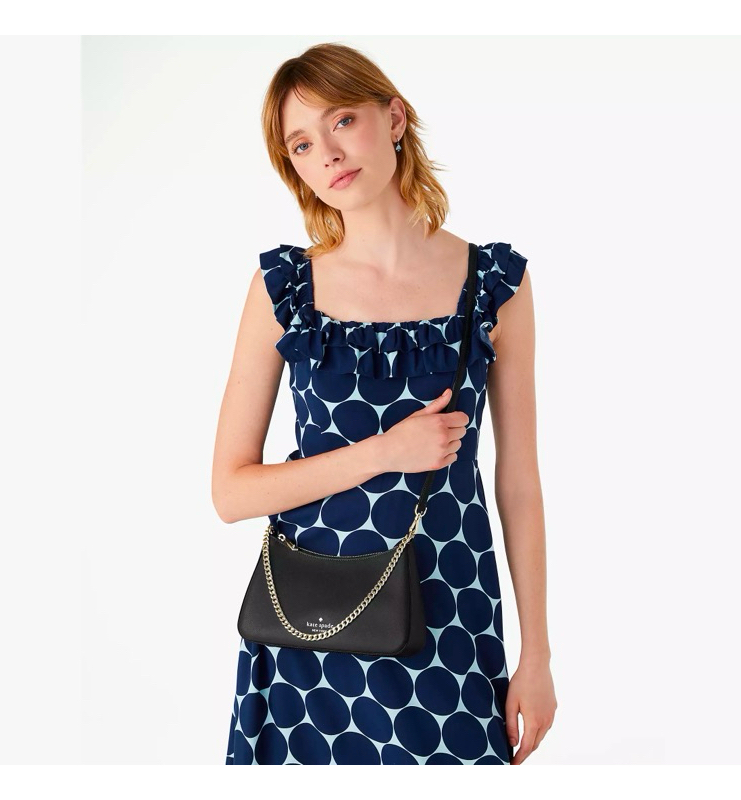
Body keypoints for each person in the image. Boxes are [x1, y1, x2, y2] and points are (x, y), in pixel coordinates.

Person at [212, 41, 556, 765]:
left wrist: (537, 655)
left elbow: (519, 483)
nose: (329, 154)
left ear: (394, 118)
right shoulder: (284, 289)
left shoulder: (495, 284)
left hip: (449, 613)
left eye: (342, 120)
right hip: (312, 629)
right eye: (302, 144)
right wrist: (383, 453)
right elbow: (231, 492)